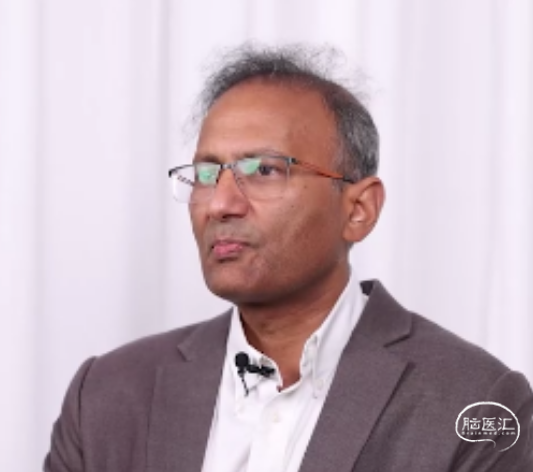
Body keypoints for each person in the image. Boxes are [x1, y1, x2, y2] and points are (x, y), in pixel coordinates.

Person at [44, 45, 533, 472]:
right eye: (207, 175)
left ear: (358, 210)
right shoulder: (107, 395)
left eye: (264, 170)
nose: (220, 204)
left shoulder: (473, 399)